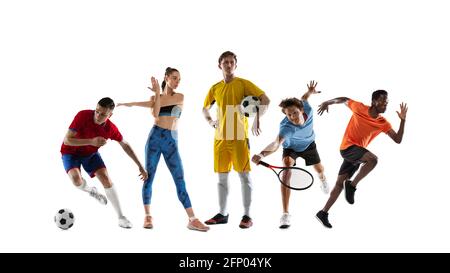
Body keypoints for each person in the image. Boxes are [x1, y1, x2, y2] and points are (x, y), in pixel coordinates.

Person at [117, 67, 210, 232]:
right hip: (155, 139)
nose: (177, 81)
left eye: (179, 79)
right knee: (148, 177)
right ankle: (147, 216)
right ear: (166, 78)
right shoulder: (156, 97)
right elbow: (155, 112)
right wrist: (154, 96)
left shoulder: (180, 96)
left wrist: (148, 100)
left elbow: (156, 106)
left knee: (180, 179)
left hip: (171, 142)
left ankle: (192, 219)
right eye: (174, 78)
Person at [315, 90, 408, 228]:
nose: (385, 104)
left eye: (387, 102)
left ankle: (323, 212)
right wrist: (328, 102)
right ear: (374, 101)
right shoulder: (359, 107)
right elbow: (344, 99)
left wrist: (403, 120)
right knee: (373, 160)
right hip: (347, 148)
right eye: (383, 101)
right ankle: (352, 186)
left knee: (339, 184)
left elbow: (398, 139)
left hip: (358, 154)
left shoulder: (383, 123)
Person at [202, 51, 271, 229]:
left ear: (235, 65)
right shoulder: (215, 88)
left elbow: (266, 99)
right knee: (221, 178)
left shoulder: (243, 84)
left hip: (239, 137)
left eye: (232, 62)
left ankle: (247, 216)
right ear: (220, 65)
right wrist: (210, 121)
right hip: (220, 138)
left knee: (244, 176)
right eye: (225, 62)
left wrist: (257, 117)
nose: (229, 64)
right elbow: (204, 108)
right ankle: (222, 214)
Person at [251, 81, 329, 229]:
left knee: (320, 170)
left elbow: (304, 97)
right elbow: (276, 144)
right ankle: (285, 214)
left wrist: (310, 92)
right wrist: (261, 154)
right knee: (286, 170)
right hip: (291, 148)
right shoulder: (287, 127)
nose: (292, 116)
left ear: (301, 109)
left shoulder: (309, 109)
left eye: (295, 112)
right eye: (289, 114)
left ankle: (323, 179)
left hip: (309, 145)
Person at [61, 97, 148, 228]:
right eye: (97, 111)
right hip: (70, 152)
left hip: (90, 154)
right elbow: (67, 140)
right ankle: (91, 191)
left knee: (106, 178)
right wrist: (91, 141)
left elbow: (125, 145)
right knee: (75, 179)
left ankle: (121, 217)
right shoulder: (82, 115)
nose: (98, 116)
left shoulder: (110, 128)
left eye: (103, 114)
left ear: (110, 115)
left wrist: (140, 166)